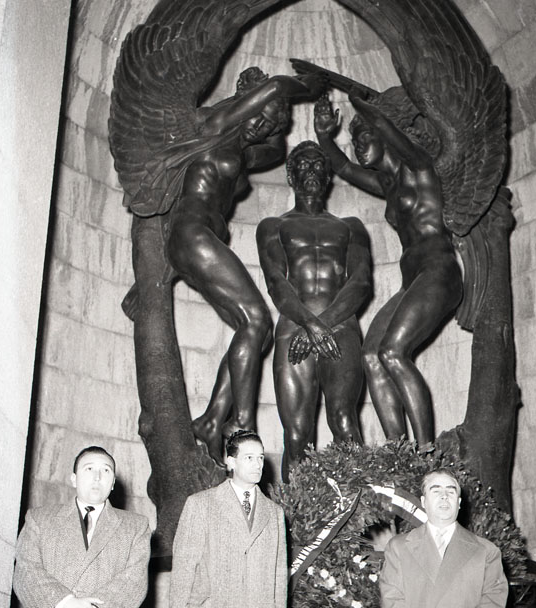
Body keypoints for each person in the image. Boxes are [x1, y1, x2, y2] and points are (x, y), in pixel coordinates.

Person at [122, 67, 326, 465]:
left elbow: (275, 151)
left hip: (203, 238)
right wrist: (303, 87)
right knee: (257, 321)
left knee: (256, 332)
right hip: (191, 233)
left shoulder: (243, 151)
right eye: (259, 116)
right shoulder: (210, 126)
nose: (261, 127)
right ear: (244, 103)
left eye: (270, 124)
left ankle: (214, 418)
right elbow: (274, 88)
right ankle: (241, 424)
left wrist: (282, 119)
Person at [314, 91, 463, 453]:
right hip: (413, 281)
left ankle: (424, 454)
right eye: (355, 141)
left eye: (364, 137)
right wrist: (323, 136)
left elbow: (383, 123)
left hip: (439, 272)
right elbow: (343, 168)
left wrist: (363, 104)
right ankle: (399, 455)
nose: (358, 146)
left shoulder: (420, 167)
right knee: (371, 356)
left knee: (393, 352)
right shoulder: (388, 185)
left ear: (384, 135)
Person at [256, 140, 372, 480]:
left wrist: (321, 326)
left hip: (342, 327)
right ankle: (294, 514)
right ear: (291, 176)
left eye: (318, 164)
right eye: (303, 165)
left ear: (328, 175)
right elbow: (276, 282)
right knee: (296, 434)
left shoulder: (351, 226)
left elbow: (361, 281)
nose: (310, 170)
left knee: (345, 422)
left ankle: (357, 509)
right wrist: (310, 324)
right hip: (294, 328)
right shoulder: (273, 225)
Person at [12, 446, 151, 608]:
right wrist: (67, 604)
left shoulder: (136, 526)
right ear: (74, 479)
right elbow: (26, 570)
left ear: (113, 483)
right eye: (89, 468)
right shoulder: (39, 518)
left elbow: (134, 581)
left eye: (106, 470)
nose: (97, 477)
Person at [169, 430, 287, 608]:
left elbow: (279, 577)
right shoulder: (201, 504)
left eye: (260, 458)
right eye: (249, 458)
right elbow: (183, 572)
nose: (257, 464)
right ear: (231, 462)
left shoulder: (274, 513)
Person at [380, 469, 508, 608]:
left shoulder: (486, 551)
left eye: (450, 491)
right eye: (436, 491)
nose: (444, 496)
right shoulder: (398, 548)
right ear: (423, 501)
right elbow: (392, 603)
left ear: (459, 503)